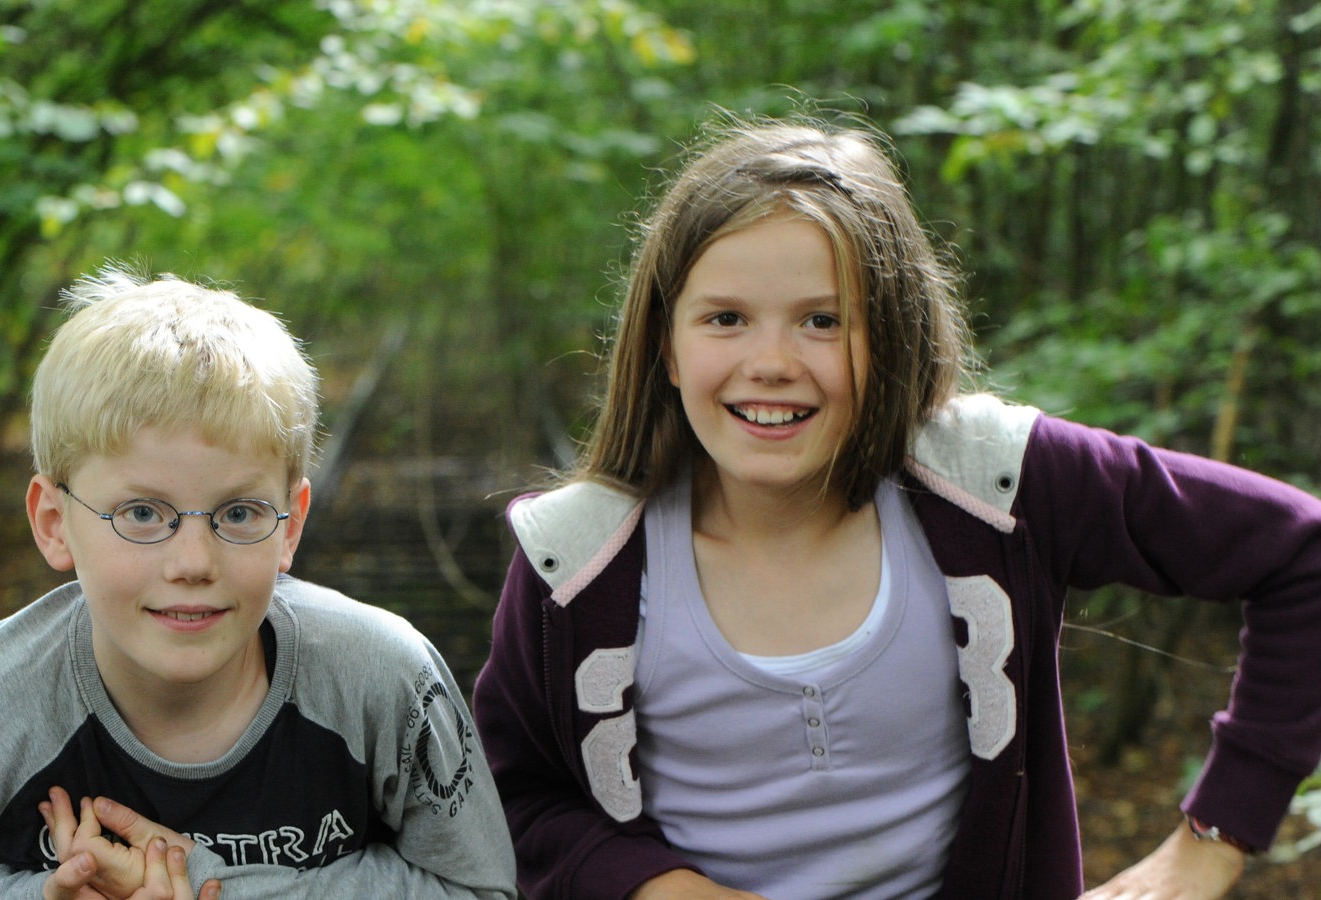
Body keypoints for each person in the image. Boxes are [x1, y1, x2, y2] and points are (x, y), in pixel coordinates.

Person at [470, 111, 1321, 900]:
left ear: (895, 334)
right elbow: (511, 794)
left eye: (823, 320)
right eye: (725, 318)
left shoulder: (996, 485)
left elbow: (1299, 554)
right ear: (665, 346)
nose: (770, 361)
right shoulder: (575, 562)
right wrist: (658, 886)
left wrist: (1209, 841)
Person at [0, 267, 518, 900]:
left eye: (239, 512)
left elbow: (480, 883)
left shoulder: (381, 677)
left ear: (291, 524)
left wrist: (211, 888)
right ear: (53, 522)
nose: (193, 560)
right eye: (143, 513)